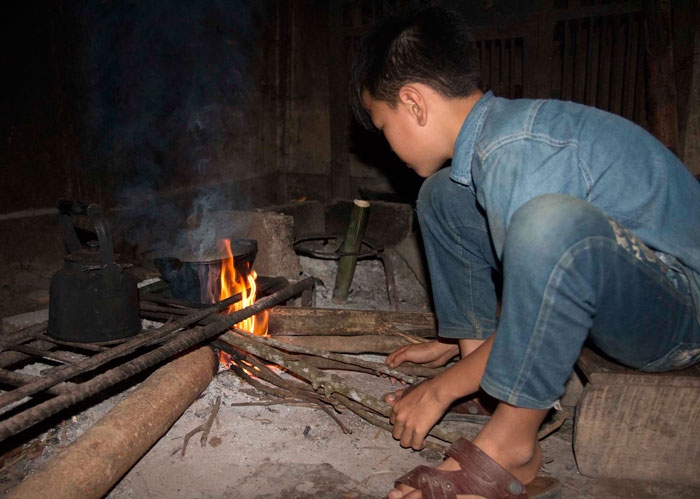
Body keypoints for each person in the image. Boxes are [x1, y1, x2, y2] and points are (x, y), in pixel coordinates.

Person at [349, 5, 700, 499]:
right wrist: (462, 354)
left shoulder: (516, 152)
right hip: (632, 285)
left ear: (414, 103)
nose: (387, 144)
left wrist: (443, 385)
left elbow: (551, 258)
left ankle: (512, 443)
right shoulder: (497, 139)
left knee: (549, 221)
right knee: (444, 194)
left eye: (384, 125)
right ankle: (487, 381)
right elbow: (529, 281)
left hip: (681, 310)